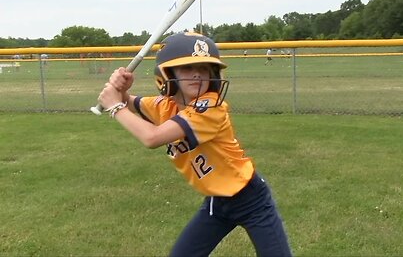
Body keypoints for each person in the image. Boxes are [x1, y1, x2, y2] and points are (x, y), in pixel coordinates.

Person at [98, 32, 292, 257]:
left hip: (250, 198)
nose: (197, 75)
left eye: (204, 68)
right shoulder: (164, 104)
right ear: (166, 75)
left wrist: (115, 107)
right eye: (187, 68)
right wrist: (121, 89)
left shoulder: (211, 108)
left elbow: (151, 137)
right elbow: (127, 102)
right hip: (216, 203)